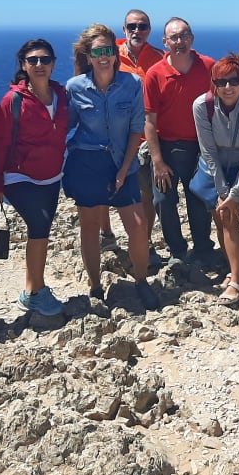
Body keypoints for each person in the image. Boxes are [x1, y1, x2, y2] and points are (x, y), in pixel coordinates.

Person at [64, 24, 159, 311]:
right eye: (98, 52)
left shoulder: (132, 84)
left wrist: (123, 169)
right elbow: (64, 127)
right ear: (88, 55)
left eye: (109, 50)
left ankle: (141, 281)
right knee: (90, 229)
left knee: (139, 227)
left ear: (115, 54)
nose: (104, 57)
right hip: (88, 164)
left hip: (122, 162)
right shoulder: (74, 88)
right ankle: (95, 288)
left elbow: (135, 131)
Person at [0, 39, 68, 317]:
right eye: (32, 60)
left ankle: (33, 289)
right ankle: (35, 292)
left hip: (51, 175)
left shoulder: (61, 94)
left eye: (45, 59)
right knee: (39, 224)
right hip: (19, 176)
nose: (39, 65)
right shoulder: (14, 100)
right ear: (23, 65)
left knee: (42, 230)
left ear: (54, 64)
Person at [143, 18, 218, 269]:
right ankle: (177, 251)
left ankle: (203, 249)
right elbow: (149, 121)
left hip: (200, 147)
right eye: (173, 38)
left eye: (184, 35)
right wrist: (157, 161)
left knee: (198, 198)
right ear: (165, 42)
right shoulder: (155, 74)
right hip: (166, 147)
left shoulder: (208, 67)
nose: (179, 42)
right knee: (162, 200)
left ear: (192, 38)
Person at [192, 56, 239, 307]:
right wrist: (222, 190)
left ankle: (236, 281)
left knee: (229, 215)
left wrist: (236, 193)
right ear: (213, 84)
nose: (228, 87)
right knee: (220, 215)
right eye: (221, 82)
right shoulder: (202, 106)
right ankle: (232, 267)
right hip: (213, 166)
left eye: (234, 81)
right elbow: (208, 151)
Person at [116, 9, 165, 269]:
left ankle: (143, 243)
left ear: (149, 29)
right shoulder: (110, 54)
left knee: (146, 196)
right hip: (116, 140)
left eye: (143, 26)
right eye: (132, 26)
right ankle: (107, 236)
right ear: (123, 29)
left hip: (146, 142)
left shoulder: (159, 58)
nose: (137, 31)